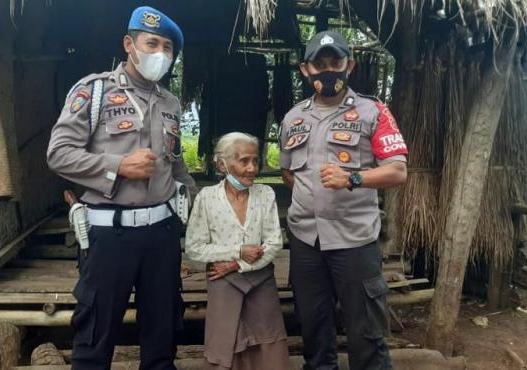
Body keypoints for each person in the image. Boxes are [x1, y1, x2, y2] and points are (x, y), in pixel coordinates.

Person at [46, 6, 196, 370]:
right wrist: (118, 166)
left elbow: (176, 166)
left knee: (162, 334)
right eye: (152, 43)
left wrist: (202, 208)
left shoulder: (171, 103)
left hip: (161, 235)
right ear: (129, 44)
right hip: (109, 233)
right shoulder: (94, 91)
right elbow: (59, 154)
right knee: (95, 335)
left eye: (167, 48)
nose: (159, 54)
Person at [279, 31, 409, 370]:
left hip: (354, 241)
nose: (327, 71)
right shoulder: (293, 118)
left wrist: (352, 178)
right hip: (306, 242)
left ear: (348, 65)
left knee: (366, 336)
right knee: (314, 332)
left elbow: (397, 172)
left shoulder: (374, 112)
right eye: (319, 64)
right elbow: (288, 174)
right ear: (305, 70)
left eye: (334, 63)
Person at [185, 132, 290, 370]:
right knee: (224, 343)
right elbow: (194, 247)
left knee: (267, 340)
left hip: (259, 277)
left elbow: (273, 243)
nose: (252, 168)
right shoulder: (207, 197)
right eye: (243, 161)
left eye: (255, 161)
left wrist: (236, 264)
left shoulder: (265, 194)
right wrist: (239, 251)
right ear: (222, 164)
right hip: (223, 281)